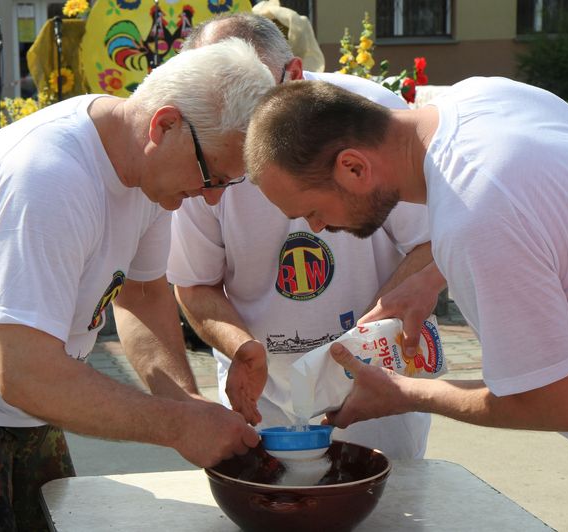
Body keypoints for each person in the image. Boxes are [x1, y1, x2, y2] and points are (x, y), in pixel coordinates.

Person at [0, 38, 274, 530]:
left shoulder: (152, 170)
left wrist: (184, 404)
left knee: (56, 517)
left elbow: (144, 295)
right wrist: (176, 425)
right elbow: (27, 375)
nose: (211, 200)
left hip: (20, 380)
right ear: (166, 124)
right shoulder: (50, 178)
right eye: (213, 176)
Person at [244, 76, 568, 531]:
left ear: (353, 168)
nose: (317, 228)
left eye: (313, 210)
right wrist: (430, 275)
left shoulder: (476, 219)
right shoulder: (484, 96)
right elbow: (544, 210)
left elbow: (557, 405)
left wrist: (405, 395)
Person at [168, 13, 433, 459]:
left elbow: (430, 242)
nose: (238, 131)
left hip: (377, 382)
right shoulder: (201, 143)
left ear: (293, 74)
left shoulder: (370, 113)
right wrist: (241, 349)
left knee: (387, 510)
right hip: (262, 394)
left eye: (249, 102)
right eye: (216, 102)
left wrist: (361, 348)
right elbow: (194, 282)